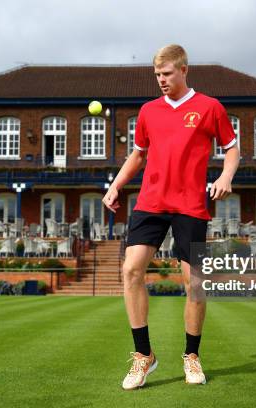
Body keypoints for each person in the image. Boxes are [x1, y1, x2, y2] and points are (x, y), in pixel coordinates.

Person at [102, 44, 240, 390]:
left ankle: (191, 356)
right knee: (131, 269)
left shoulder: (210, 108)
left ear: (183, 70)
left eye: (167, 74)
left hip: (191, 205)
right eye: (157, 75)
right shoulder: (148, 111)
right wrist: (116, 185)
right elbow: (137, 155)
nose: (161, 80)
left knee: (194, 282)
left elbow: (232, 148)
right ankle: (143, 356)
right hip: (151, 201)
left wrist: (225, 177)